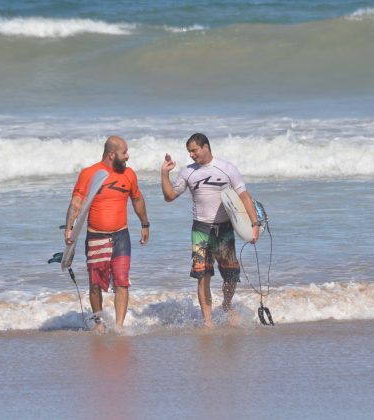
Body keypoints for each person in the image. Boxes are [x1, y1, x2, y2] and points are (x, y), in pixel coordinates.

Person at [161, 133, 260, 328]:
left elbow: (244, 196)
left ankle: (226, 305)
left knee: (231, 275)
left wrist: (254, 225)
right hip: (200, 229)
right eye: (189, 151)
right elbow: (170, 196)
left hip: (224, 229)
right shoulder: (187, 172)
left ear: (206, 147)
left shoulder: (226, 168)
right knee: (202, 276)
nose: (191, 155)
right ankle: (208, 321)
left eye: (194, 150)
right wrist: (164, 174)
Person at [65, 136, 149, 333]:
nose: (127, 157)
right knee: (95, 284)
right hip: (96, 237)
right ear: (112, 155)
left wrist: (145, 224)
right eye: (124, 153)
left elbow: (137, 200)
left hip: (121, 236)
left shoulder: (129, 174)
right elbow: (76, 203)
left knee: (122, 281)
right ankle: (99, 324)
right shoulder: (89, 174)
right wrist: (70, 227)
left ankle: (119, 326)